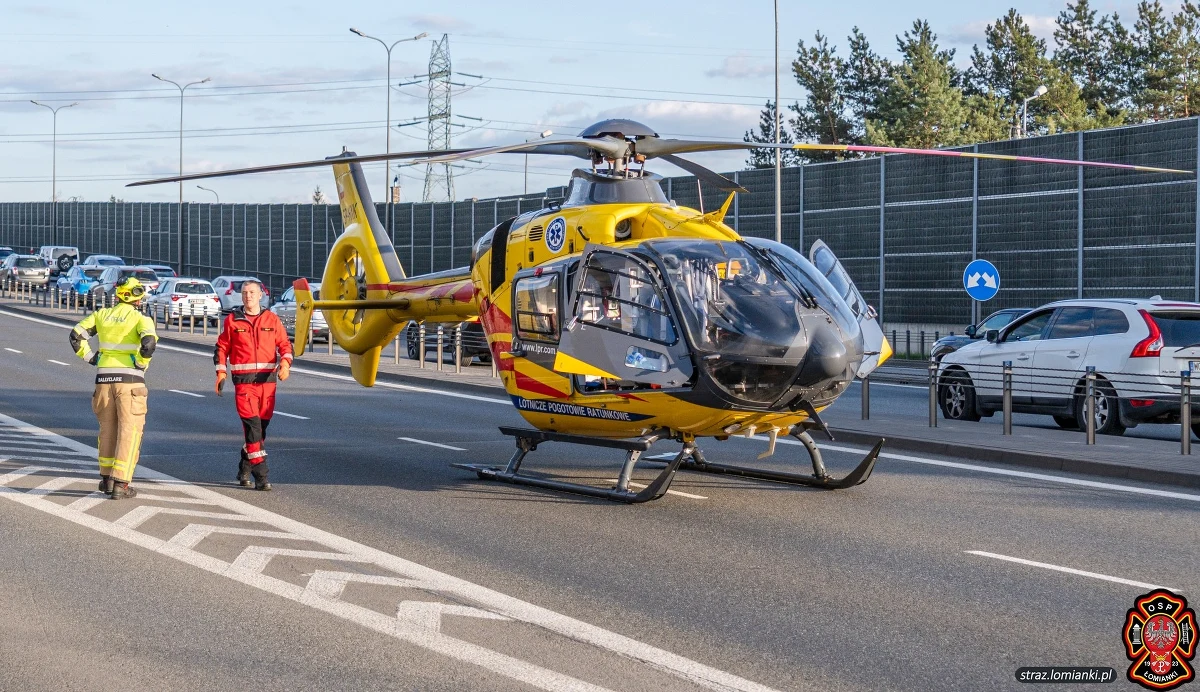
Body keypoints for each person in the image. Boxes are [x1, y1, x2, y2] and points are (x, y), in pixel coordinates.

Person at [69, 277, 157, 500]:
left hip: (103, 380)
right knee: (130, 431)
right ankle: (121, 484)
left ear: (118, 295)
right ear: (137, 298)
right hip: (130, 382)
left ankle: (107, 480)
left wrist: (92, 358)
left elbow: (76, 336)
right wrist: (141, 363)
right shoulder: (141, 318)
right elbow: (148, 344)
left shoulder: (102, 315)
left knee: (107, 430)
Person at [213, 280, 292, 490]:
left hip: (268, 384)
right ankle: (261, 475)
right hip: (244, 385)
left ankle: (244, 468)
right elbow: (222, 348)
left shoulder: (271, 319)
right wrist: (221, 373)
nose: (248, 296)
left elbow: (285, 345)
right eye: (245, 292)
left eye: (251, 292)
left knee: (260, 430)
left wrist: (285, 364)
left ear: (260, 295)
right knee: (253, 428)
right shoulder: (232, 320)